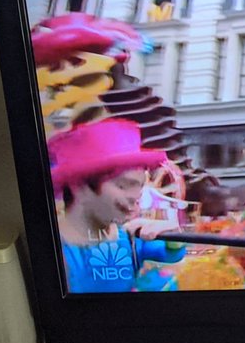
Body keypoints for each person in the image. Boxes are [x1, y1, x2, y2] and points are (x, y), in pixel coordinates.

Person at [49, 119, 184, 293]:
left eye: (140, 186)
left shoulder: (128, 237)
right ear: (79, 187)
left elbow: (170, 254)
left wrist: (173, 238)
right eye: (123, 186)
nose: (137, 197)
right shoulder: (53, 248)